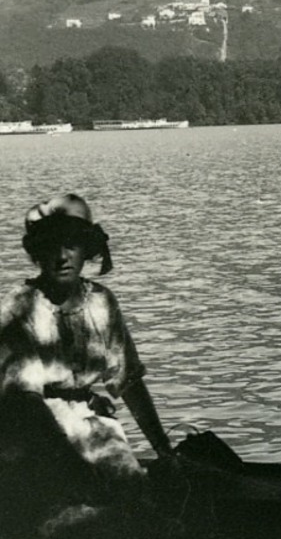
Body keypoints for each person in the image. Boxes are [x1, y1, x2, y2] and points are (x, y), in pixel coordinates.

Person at [0, 192, 175, 496]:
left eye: (71, 244)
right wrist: (75, 467)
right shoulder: (21, 307)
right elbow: (26, 403)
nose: (62, 256)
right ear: (38, 252)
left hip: (91, 427)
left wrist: (165, 451)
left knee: (135, 497)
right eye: (51, 245)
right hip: (33, 437)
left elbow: (128, 381)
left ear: (86, 250)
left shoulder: (101, 302)